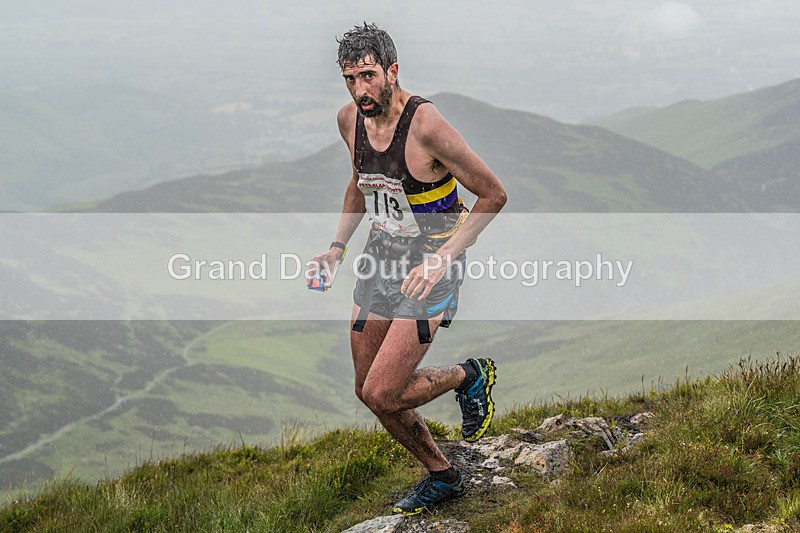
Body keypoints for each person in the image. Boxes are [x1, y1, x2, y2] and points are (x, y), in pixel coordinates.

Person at [308, 22, 507, 515]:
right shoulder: (348, 121)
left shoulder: (425, 126)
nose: (360, 90)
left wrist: (444, 256)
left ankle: (468, 376)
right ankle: (442, 474)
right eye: (350, 79)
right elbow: (360, 182)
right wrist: (336, 247)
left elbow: (493, 194)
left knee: (384, 389)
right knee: (368, 391)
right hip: (380, 258)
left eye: (369, 76)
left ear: (392, 70)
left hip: (432, 264)